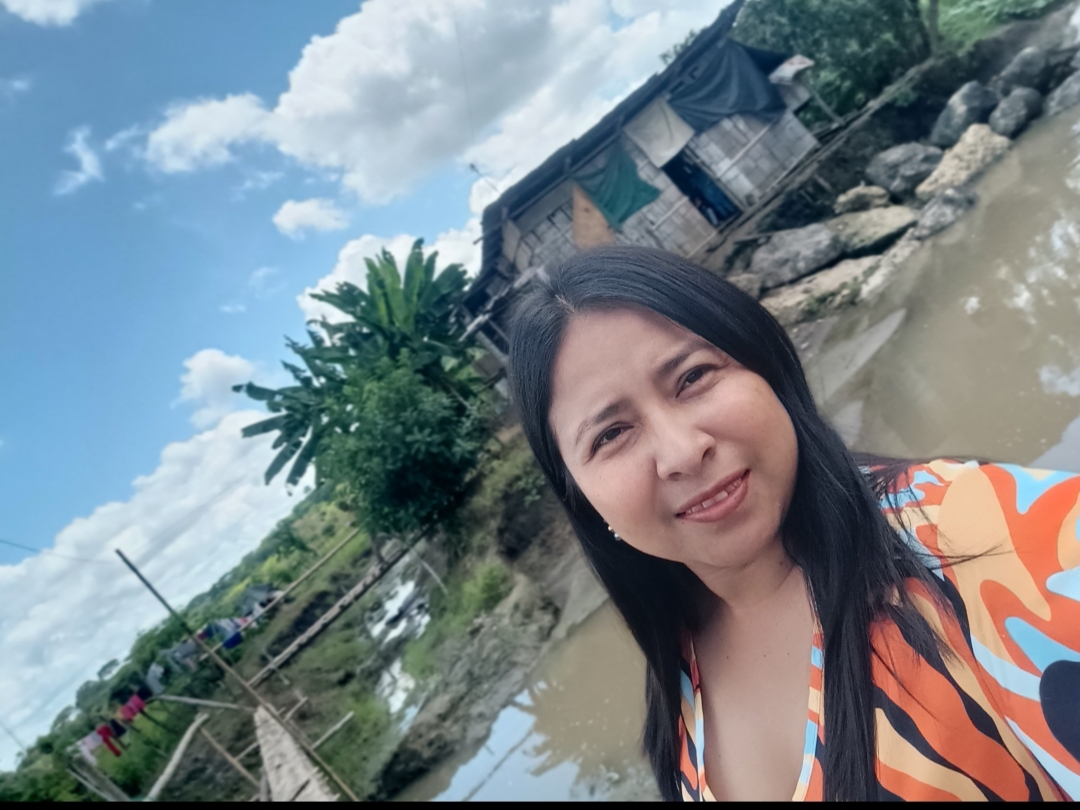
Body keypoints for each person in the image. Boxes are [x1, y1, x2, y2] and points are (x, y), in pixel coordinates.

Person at [507, 246, 1080, 802]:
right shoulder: (679, 680)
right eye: (611, 434)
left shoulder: (971, 533)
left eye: (693, 377)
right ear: (582, 498)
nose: (682, 452)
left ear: (765, 366)